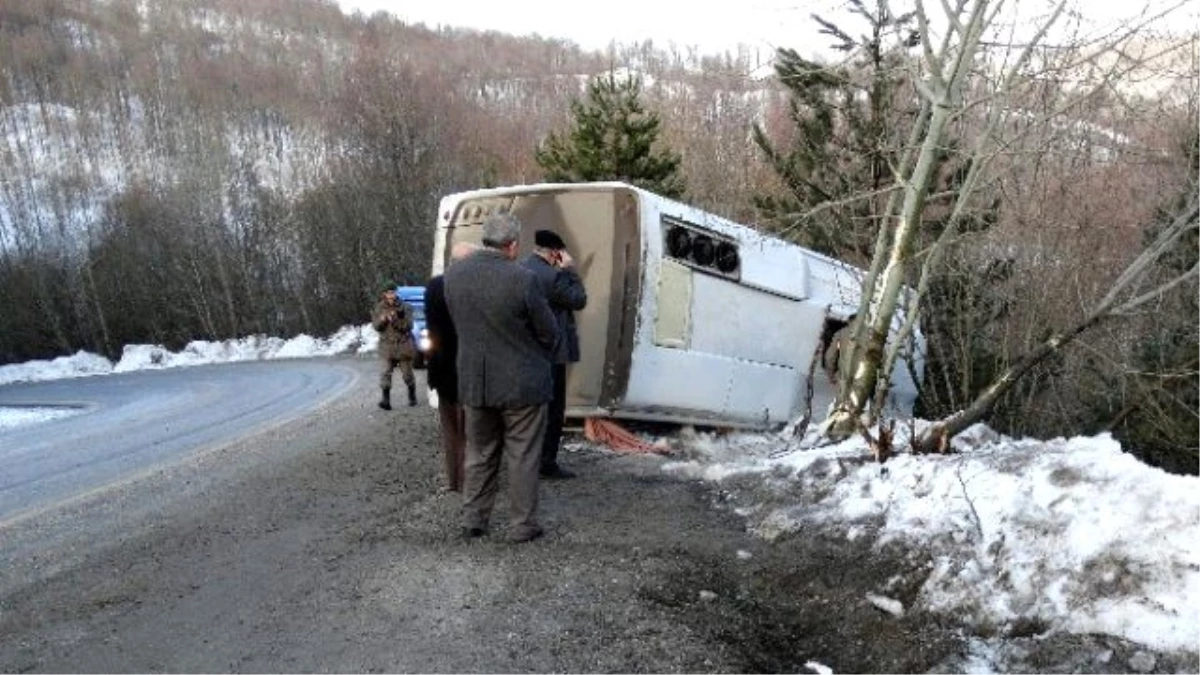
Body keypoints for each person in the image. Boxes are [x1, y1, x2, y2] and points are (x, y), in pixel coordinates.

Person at [445, 213, 558, 543]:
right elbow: (548, 331)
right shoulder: (523, 279)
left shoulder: (453, 275)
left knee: (479, 452)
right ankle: (522, 525)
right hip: (522, 384)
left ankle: (474, 519)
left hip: (475, 381)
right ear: (512, 245)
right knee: (523, 454)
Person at [522, 229, 587, 480]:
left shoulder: (520, 269)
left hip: (525, 352)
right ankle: (546, 463)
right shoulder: (555, 277)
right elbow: (579, 299)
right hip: (552, 353)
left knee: (529, 410)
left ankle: (526, 459)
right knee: (553, 409)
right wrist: (570, 270)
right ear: (555, 253)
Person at [424, 242, 479, 493]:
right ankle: (472, 480)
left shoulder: (434, 286)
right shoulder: (473, 287)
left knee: (450, 430)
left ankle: (455, 481)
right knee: (472, 430)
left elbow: (431, 331)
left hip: (442, 370)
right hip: (469, 370)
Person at [371, 283, 418, 409]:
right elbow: (376, 326)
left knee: (407, 375)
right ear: (384, 294)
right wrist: (383, 320)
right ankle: (386, 401)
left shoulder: (405, 307)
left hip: (403, 346)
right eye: (388, 292)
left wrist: (396, 321)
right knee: (385, 373)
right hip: (386, 346)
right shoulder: (378, 308)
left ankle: (412, 395)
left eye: (393, 292)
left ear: (396, 293)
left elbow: (409, 326)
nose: (390, 295)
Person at [823, 314, 857, 384]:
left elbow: (830, 356)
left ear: (849, 321)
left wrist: (831, 374)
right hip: (863, 381)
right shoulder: (873, 337)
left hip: (843, 376)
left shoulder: (841, 334)